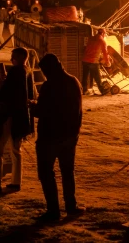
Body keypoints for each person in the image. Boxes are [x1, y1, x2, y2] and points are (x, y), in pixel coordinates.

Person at [32, 53, 85, 222]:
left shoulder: (50, 86)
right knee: (68, 172)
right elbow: (78, 110)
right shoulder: (73, 81)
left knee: (47, 173)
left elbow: (41, 111)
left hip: (50, 136)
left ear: (49, 69)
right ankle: (71, 206)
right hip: (70, 136)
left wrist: (31, 105)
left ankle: (53, 211)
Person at [0, 47, 35, 195]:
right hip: (22, 117)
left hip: (9, 115)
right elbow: (30, 94)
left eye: (13, 57)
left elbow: (4, 96)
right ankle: (16, 182)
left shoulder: (15, 72)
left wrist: (5, 81)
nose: (11, 59)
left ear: (20, 58)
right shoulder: (27, 71)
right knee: (16, 149)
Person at [81, 28, 111, 95]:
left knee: (85, 76)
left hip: (85, 60)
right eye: (105, 34)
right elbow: (105, 53)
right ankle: (102, 91)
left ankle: (84, 90)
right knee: (97, 77)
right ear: (103, 33)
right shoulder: (102, 41)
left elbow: (87, 48)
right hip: (93, 61)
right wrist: (108, 62)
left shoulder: (91, 38)